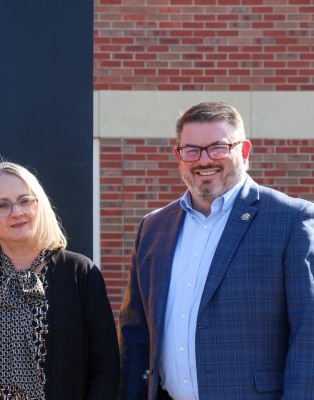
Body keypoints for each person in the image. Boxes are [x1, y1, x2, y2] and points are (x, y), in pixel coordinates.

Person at [118, 101, 314, 399]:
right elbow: (135, 332)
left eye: (218, 147)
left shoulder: (290, 220)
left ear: (244, 151)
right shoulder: (154, 228)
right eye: (192, 150)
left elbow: (308, 331)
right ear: (179, 156)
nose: (204, 159)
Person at [0, 161, 119, 399]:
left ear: (40, 206)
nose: (17, 212)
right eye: (3, 205)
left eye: (25, 200)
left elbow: (105, 366)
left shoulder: (81, 273)